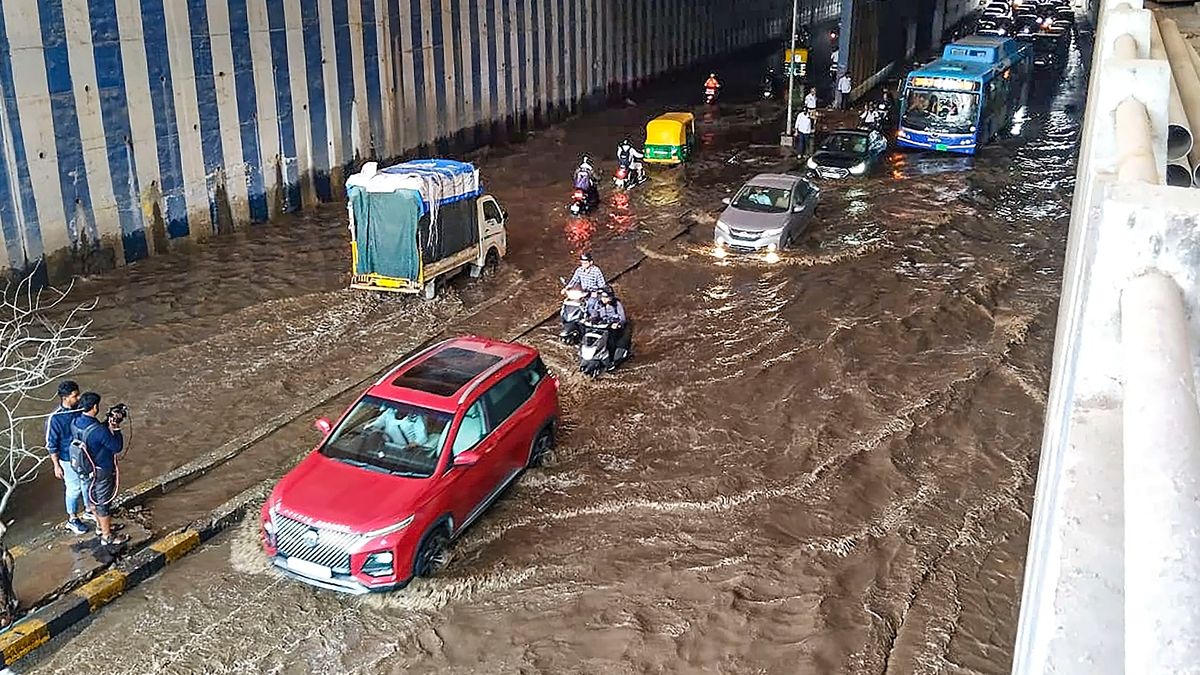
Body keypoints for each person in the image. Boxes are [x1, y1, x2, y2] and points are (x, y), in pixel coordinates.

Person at [71, 392, 126, 546]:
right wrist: (115, 427)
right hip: (101, 470)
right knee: (103, 503)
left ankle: (100, 526)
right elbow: (117, 446)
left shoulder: (75, 422)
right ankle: (107, 536)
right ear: (95, 407)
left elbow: (93, 436)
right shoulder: (99, 430)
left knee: (93, 498)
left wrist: (105, 424)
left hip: (86, 468)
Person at [46, 380, 92, 535]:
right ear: (65, 398)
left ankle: (88, 509)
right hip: (66, 458)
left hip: (83, 454)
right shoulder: (55, 418)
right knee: (74, 488)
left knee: (86, 482)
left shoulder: (79, 410)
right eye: (75, 396)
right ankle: (72, 519)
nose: (78, 398)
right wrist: (56, 465)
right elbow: (51, 444)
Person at [587, 287, 631, 371]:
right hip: (602, 327)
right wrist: (592, 319)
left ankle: (611, 360)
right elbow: (594, 314)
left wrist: (617, 324)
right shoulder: (598, 304)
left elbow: (622, 318)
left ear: (611, 297)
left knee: (611, 342)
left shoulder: (617, 304)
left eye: (606, 297)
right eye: (602, 297)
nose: (604, 299)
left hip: (613, 329)